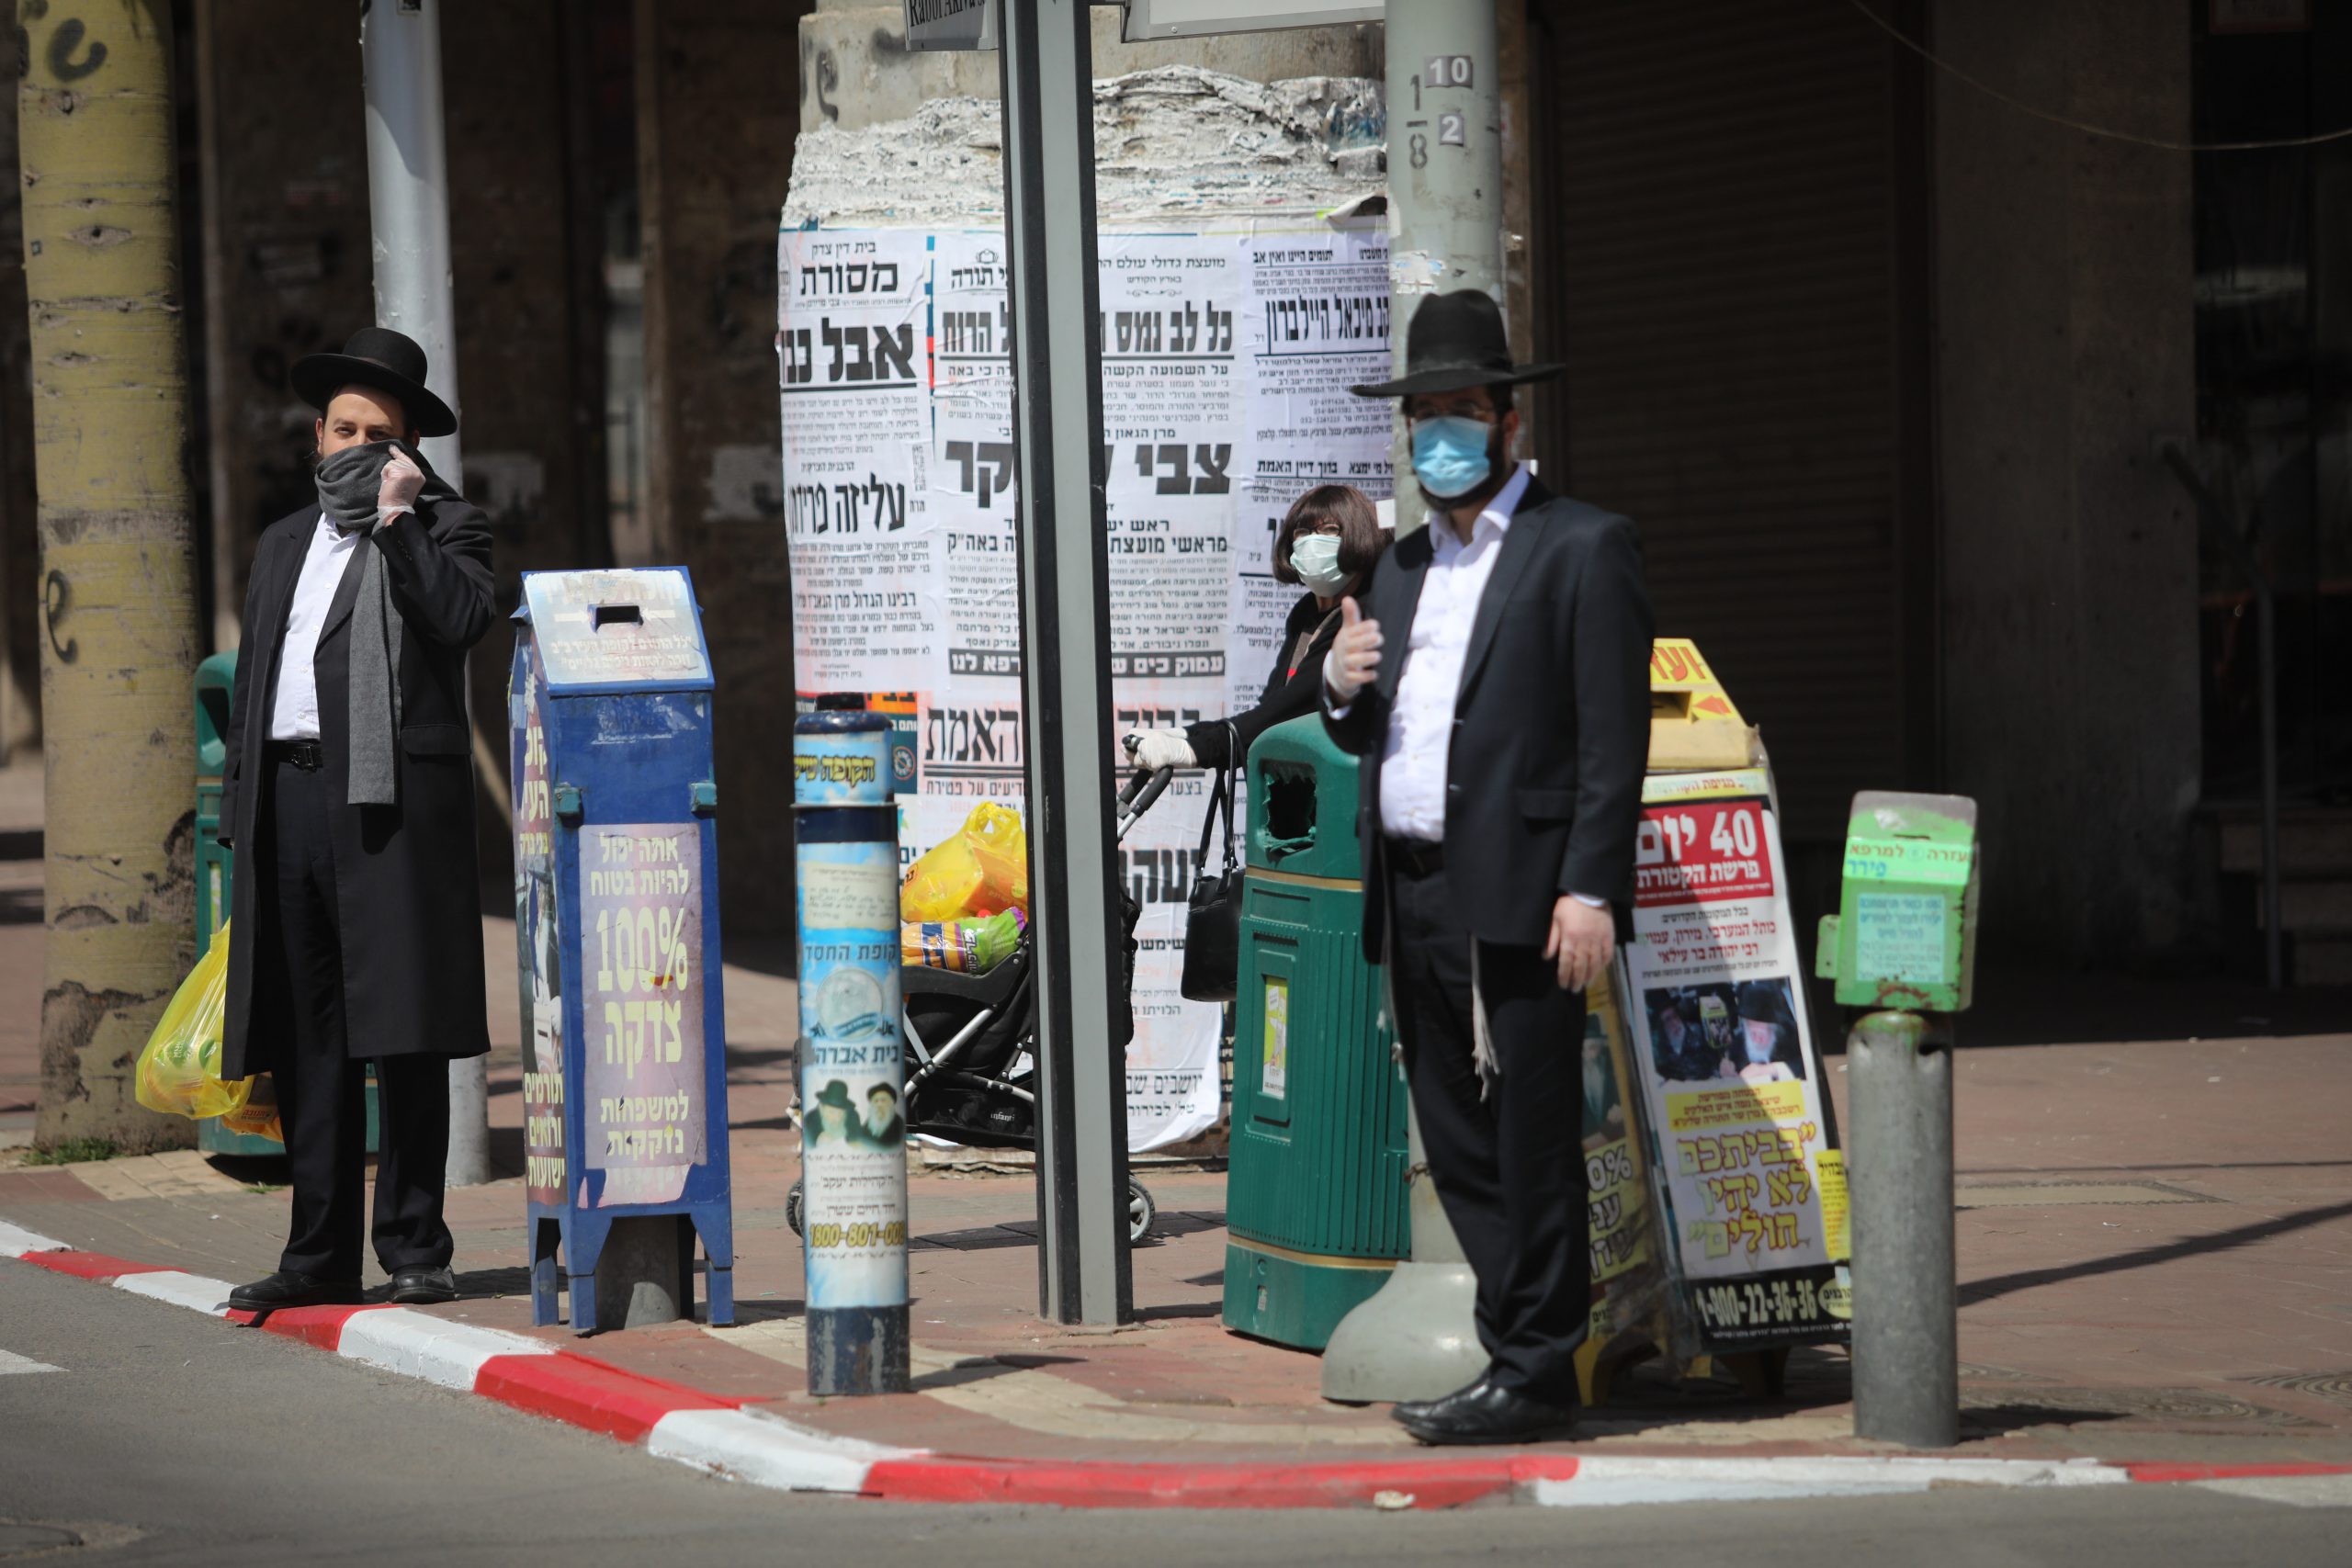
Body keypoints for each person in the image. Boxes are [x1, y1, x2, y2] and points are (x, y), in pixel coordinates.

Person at [1323, 289, 1654, 1445]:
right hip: (1412, 889)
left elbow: (1613, 736)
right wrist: (1340, 689)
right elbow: (1381, 731)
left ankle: (1536, 1367)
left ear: (1509, 421)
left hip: (1524, 890)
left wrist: (1590, 887)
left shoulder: (1582, 547)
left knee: (1530, 1139)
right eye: (1422, 417)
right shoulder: (1401, 566)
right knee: (1455, 1144)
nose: (1440, 435)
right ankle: (1524, 1354)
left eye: (1461, 410)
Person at [216, 327, 494, 1311]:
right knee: (308, 1036)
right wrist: (241, 805)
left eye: (380, 435)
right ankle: (318, 1255)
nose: (358, 448)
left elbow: (461, 621)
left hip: (390, 807)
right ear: (318, 435)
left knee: (405, 1029)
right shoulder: (283, 542)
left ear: (409, 446)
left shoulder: (450, 526)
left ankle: (415, 1247)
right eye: (345, 430)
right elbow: (256, 683)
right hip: (289, 800)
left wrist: (401, 522)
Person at [1122, 484, 1387, 773]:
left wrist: (1195, 749)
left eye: (1329, 530)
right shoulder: (1306, 613)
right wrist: (1186, 734)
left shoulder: (1363, 614)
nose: (1312, 542)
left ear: (1357, 535)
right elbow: (1272, 707)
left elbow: (1291, 710)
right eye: (1302, 532)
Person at [1723, 980, 1803, 1084]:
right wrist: (1730, 1075)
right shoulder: (1738, 1044)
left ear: (1774, 1030)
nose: (1757, 1039)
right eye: (1752, 1033)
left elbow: (1807, 1065)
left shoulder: (1793, 1035)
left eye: (1761, 1034)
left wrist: (1768, 1070)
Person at [805, 1080, 876, 1150]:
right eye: (831, 1112)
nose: (837, 1118)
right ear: (821, 1108)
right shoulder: (809, 1120)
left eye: (840, 1113)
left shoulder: (853, 1117)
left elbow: (857, 1141)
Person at [864, 1083, 907, 1148]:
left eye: (883, 1100)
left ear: (891, 1103)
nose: (879, 1104)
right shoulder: (868, 1124)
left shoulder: (898, 1124)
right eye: (876, 1101)